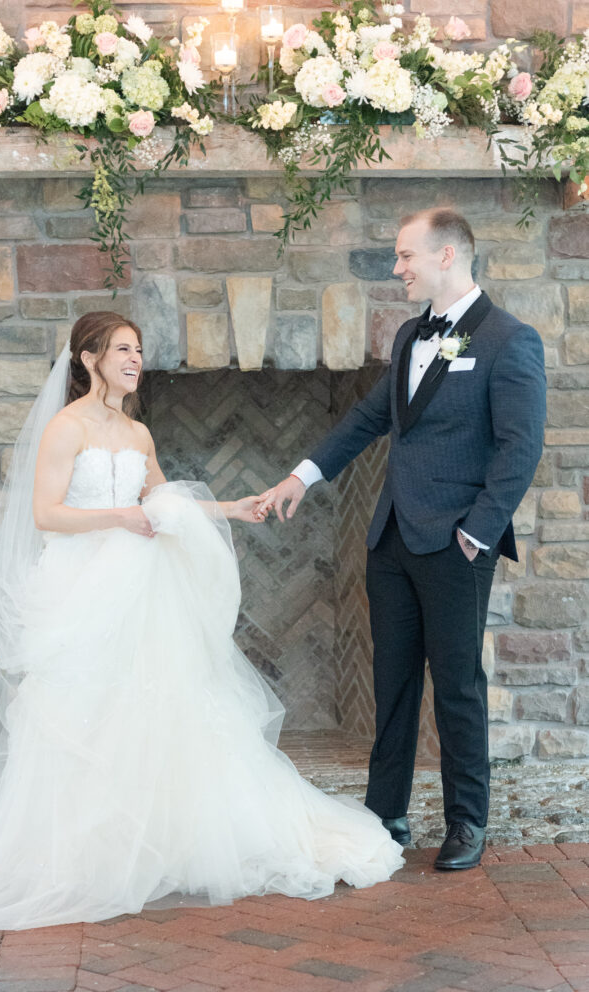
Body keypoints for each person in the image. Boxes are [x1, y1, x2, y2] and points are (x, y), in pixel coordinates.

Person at [0, 311, 403, 930]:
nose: (134, 359)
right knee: (81, 718)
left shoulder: (137, 433)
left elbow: (166, 504)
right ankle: (84, 855)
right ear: (89, 358)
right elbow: (46, 514)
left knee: (158, 711)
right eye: (122, 349)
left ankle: (160, 841)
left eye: (139, 350)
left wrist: (235, 507)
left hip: (138, 589)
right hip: (82, 591)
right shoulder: (66, 428)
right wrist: (117, 519)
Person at [258, 208, 546, 872]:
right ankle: (384, 814)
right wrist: (303, 474)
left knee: (456, 686)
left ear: (446, 256)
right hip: (390, 538)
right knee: (391, 685)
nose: (397, 268)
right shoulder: (409, 337)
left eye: (404, 255)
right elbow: (368, 418)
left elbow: (518, 447)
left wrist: (476, 532)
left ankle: (466, 819)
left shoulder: (508, 340)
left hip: (454, 544)